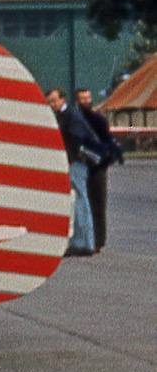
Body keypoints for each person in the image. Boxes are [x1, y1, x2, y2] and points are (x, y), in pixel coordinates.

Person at [48, 88, 97, 257]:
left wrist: (68, 157)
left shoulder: (69, 115)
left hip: (78, 160)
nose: (52, 104)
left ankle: (82, 243)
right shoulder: (68, 114)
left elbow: (75, 139)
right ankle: (84, 242)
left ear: (63, 100)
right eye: (50, 102)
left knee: (80, 200)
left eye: (54, 101)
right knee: (80, 199)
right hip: (80, 159)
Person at [77, 88, 122, 253]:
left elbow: (108, 140)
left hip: (98, 168)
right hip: (81, 166)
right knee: (83, 204)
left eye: (88, 98)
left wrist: (104, 159)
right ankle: (85, 240)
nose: (86, 101)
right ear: (77, 101)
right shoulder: (76, 120)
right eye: (82, 99)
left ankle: (99, 241)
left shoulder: (99, 120)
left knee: (98, 204)